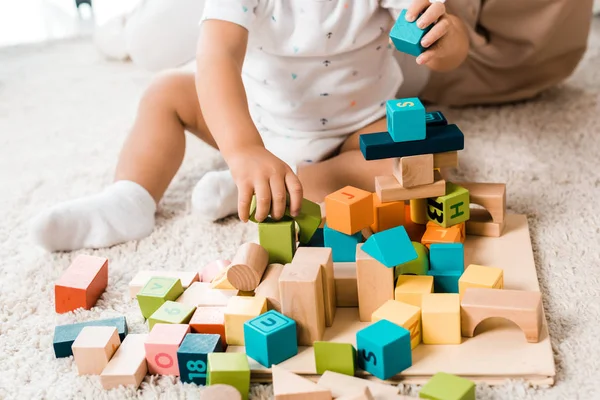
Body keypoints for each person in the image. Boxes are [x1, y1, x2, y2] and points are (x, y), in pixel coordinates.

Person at [31, 0, 593, 252]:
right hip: (260, 118)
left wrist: (446, 42)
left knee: (413, 165)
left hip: (356, 124)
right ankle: (129, 198)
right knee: (164, 94)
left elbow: (439, 38)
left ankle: (269, 187)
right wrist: (244, 145)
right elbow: (217, 60)